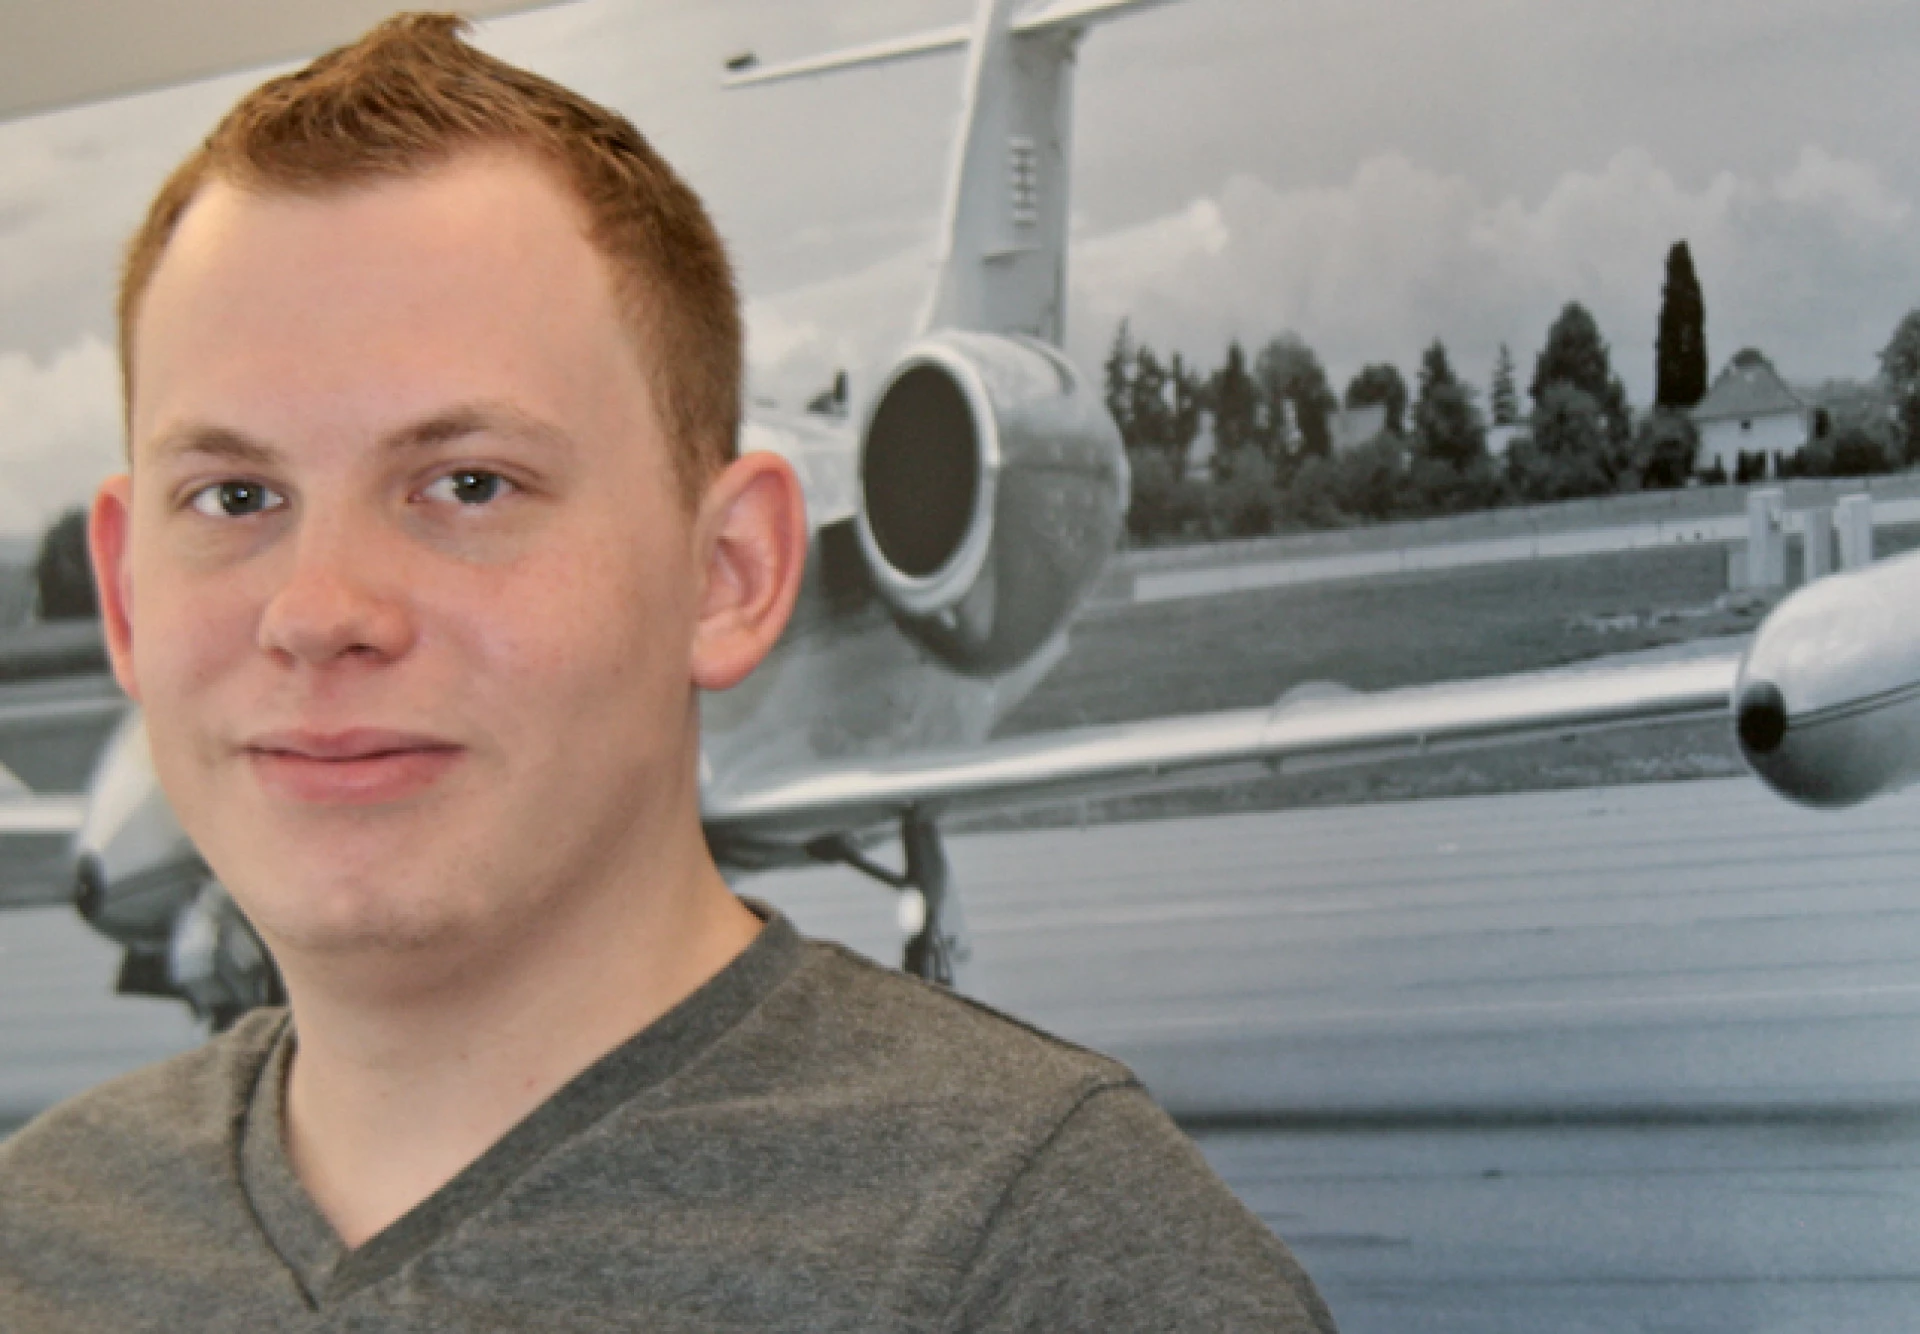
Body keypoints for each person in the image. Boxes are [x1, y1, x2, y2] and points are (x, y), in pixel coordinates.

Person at [0, 14, 1336, 1331]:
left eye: (469, 483)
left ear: (727, 571)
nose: (318, 610)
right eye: (234, 494)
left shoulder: (1049, 1260)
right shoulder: (37, 1226)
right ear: (124, 589)